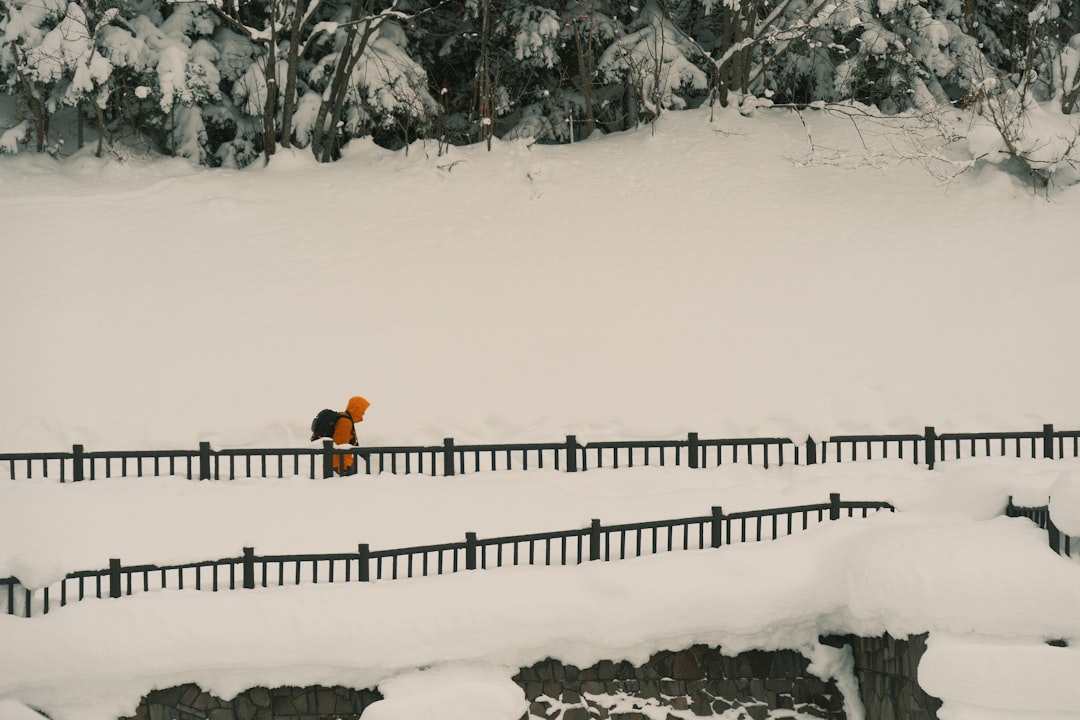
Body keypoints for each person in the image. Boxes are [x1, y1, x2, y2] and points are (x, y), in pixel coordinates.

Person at [331, 396, 370, 475]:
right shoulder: (345, 423)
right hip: (341, 466)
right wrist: (344, 467)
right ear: (356, 409)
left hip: (342, 464)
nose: (363, 413)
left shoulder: (347, 420)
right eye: (363, 410)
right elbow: (340, 446)